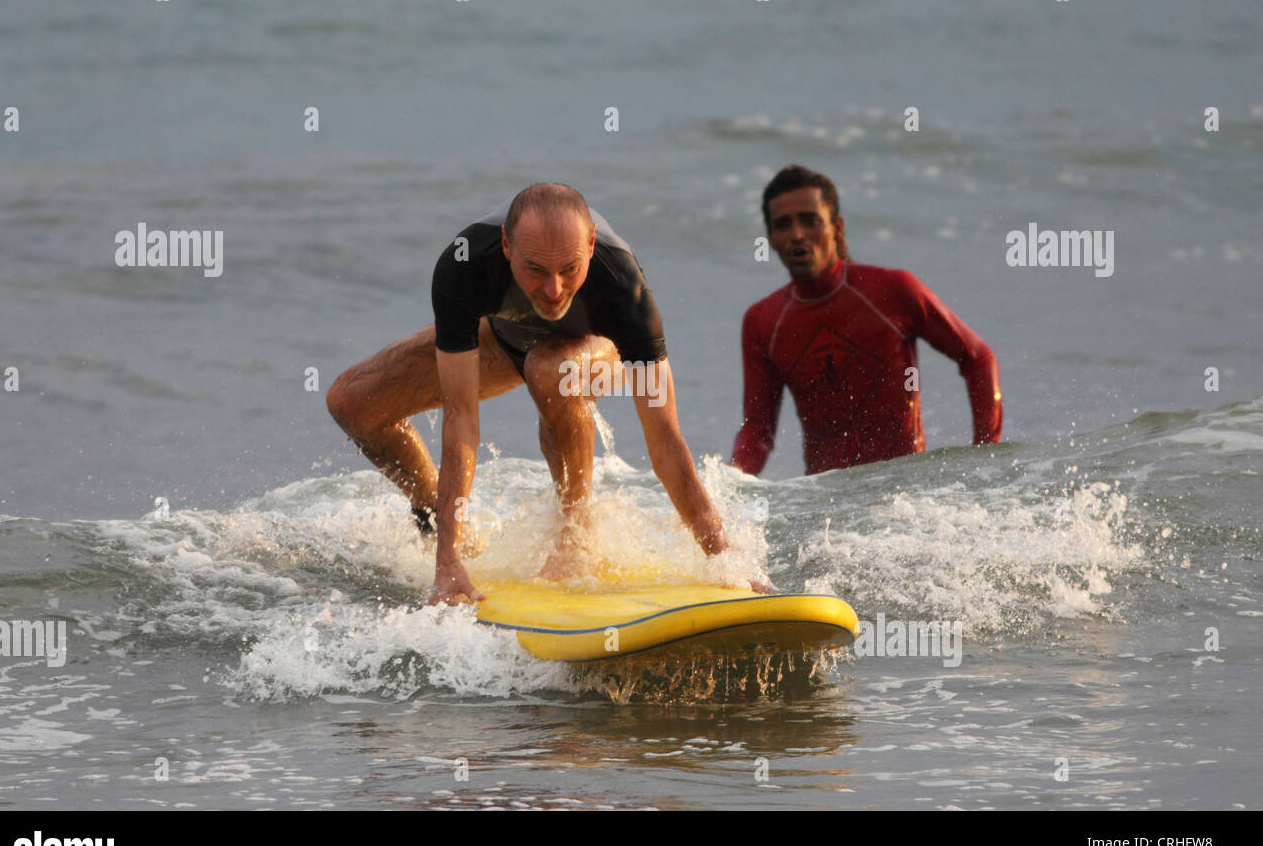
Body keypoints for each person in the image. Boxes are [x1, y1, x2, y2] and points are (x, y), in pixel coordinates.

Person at [328, 183, 744, 604]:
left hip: (597, 352)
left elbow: (666, 443)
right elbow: (461, 419)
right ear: (507, 247)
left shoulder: (623, 287)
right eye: (536, 270)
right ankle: (435, 516)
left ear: (591, 244)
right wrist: (447, 560)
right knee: (351, 401)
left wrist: (724, 557)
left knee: (549, 370)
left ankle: (575, 534)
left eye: (569, 268)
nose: (553, 289)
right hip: (505, 341)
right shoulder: (465, 263)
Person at [731, 164, 1002, 475]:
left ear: (837, 228)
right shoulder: (763, 321)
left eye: (810, 221)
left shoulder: (894, 290)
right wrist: (728, 483)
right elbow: (758, 431)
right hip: (825, 503)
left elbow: (978, 358)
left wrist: (986, 459)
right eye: (783, 225)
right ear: (772, 239)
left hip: (905, 495)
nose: (796, 235)